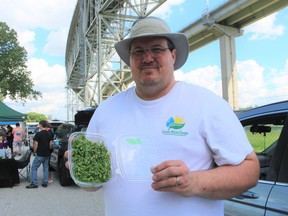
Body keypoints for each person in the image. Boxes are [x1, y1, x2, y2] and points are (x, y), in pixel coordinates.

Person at [67, 17, 260, 215]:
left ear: (173, 55)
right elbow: (91, 186)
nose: (147, 58)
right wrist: (79, 168)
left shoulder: (207, 104)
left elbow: (249, 170)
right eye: (138, 51)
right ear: (130, 60)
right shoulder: (106, 110)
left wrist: (194, 181)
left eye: (157, 49)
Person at [26, 120, 52, 189]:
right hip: (47, 154)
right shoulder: (49, 134)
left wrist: (35, 151)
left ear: (41, 125)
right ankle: (45, 183)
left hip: (40, 153)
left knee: (34, 167)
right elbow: (50, 144)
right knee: (46, 168)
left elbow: (35, 144)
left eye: (39, 125)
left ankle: (34, 183)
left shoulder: (38, 134)